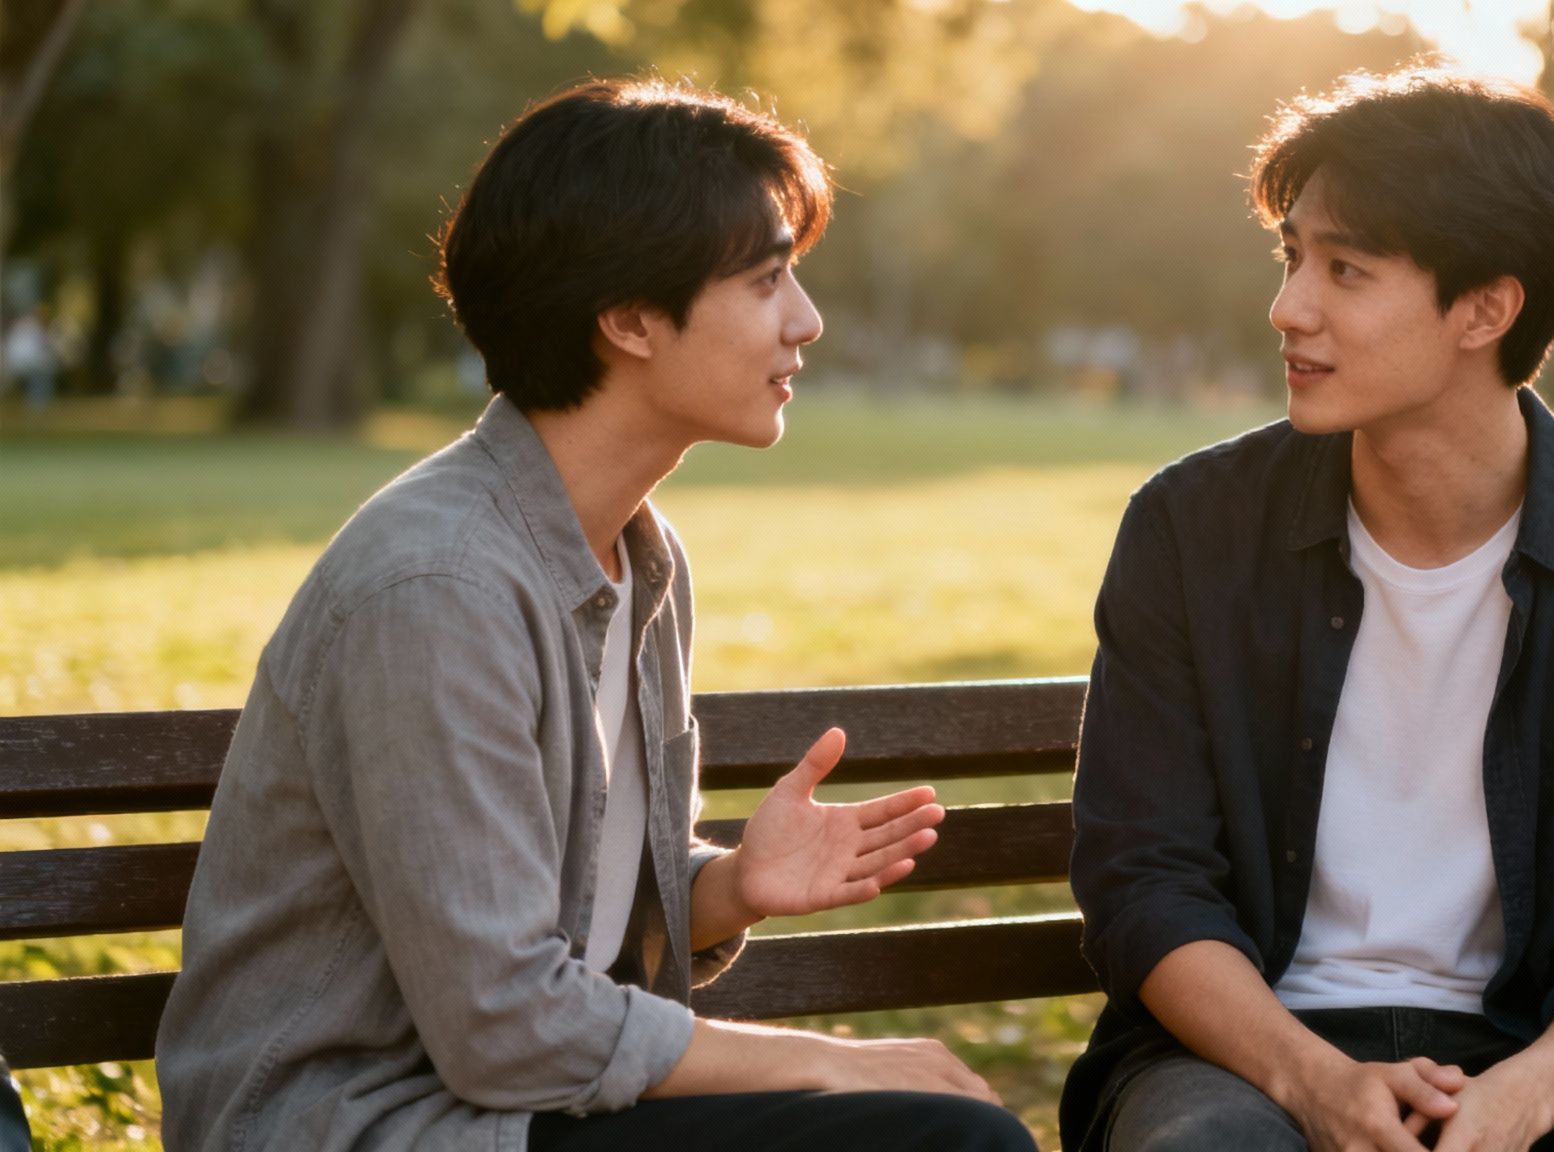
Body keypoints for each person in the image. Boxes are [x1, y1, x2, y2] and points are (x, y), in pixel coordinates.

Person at [155, 79, 1034, 1152]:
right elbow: (505, 1027)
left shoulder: (639, 560)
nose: (806, 320)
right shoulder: (437, 589)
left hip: (512, 1113)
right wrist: (830, 1058)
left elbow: (549, 933)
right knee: (939, 1141)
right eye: (765, 280)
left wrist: (723, 890)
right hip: (365, 1128)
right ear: (625, 320)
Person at [1060, 68, 1554, 1152]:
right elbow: (1143, 884)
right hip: (1238, 1057)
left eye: (1344, 269)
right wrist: (1315, 1080)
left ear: (1485, 308)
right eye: (1291, 259)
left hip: (1534, 1061)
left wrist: (1516, 1102)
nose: (1288, 307)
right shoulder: (1189, 531)